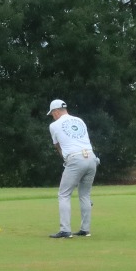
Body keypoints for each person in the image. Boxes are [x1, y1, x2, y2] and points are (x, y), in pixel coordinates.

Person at [46, 99, 99, 238]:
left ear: (56, 112)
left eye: (52, 114)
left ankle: (65, 230)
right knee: (85, 195)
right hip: (91, 158)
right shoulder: (79, 120)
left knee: (64, 194)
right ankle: (85, 229)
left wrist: (66, 159)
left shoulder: (54, 125)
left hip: (75, 159)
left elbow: (57, 146)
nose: (52, 116)